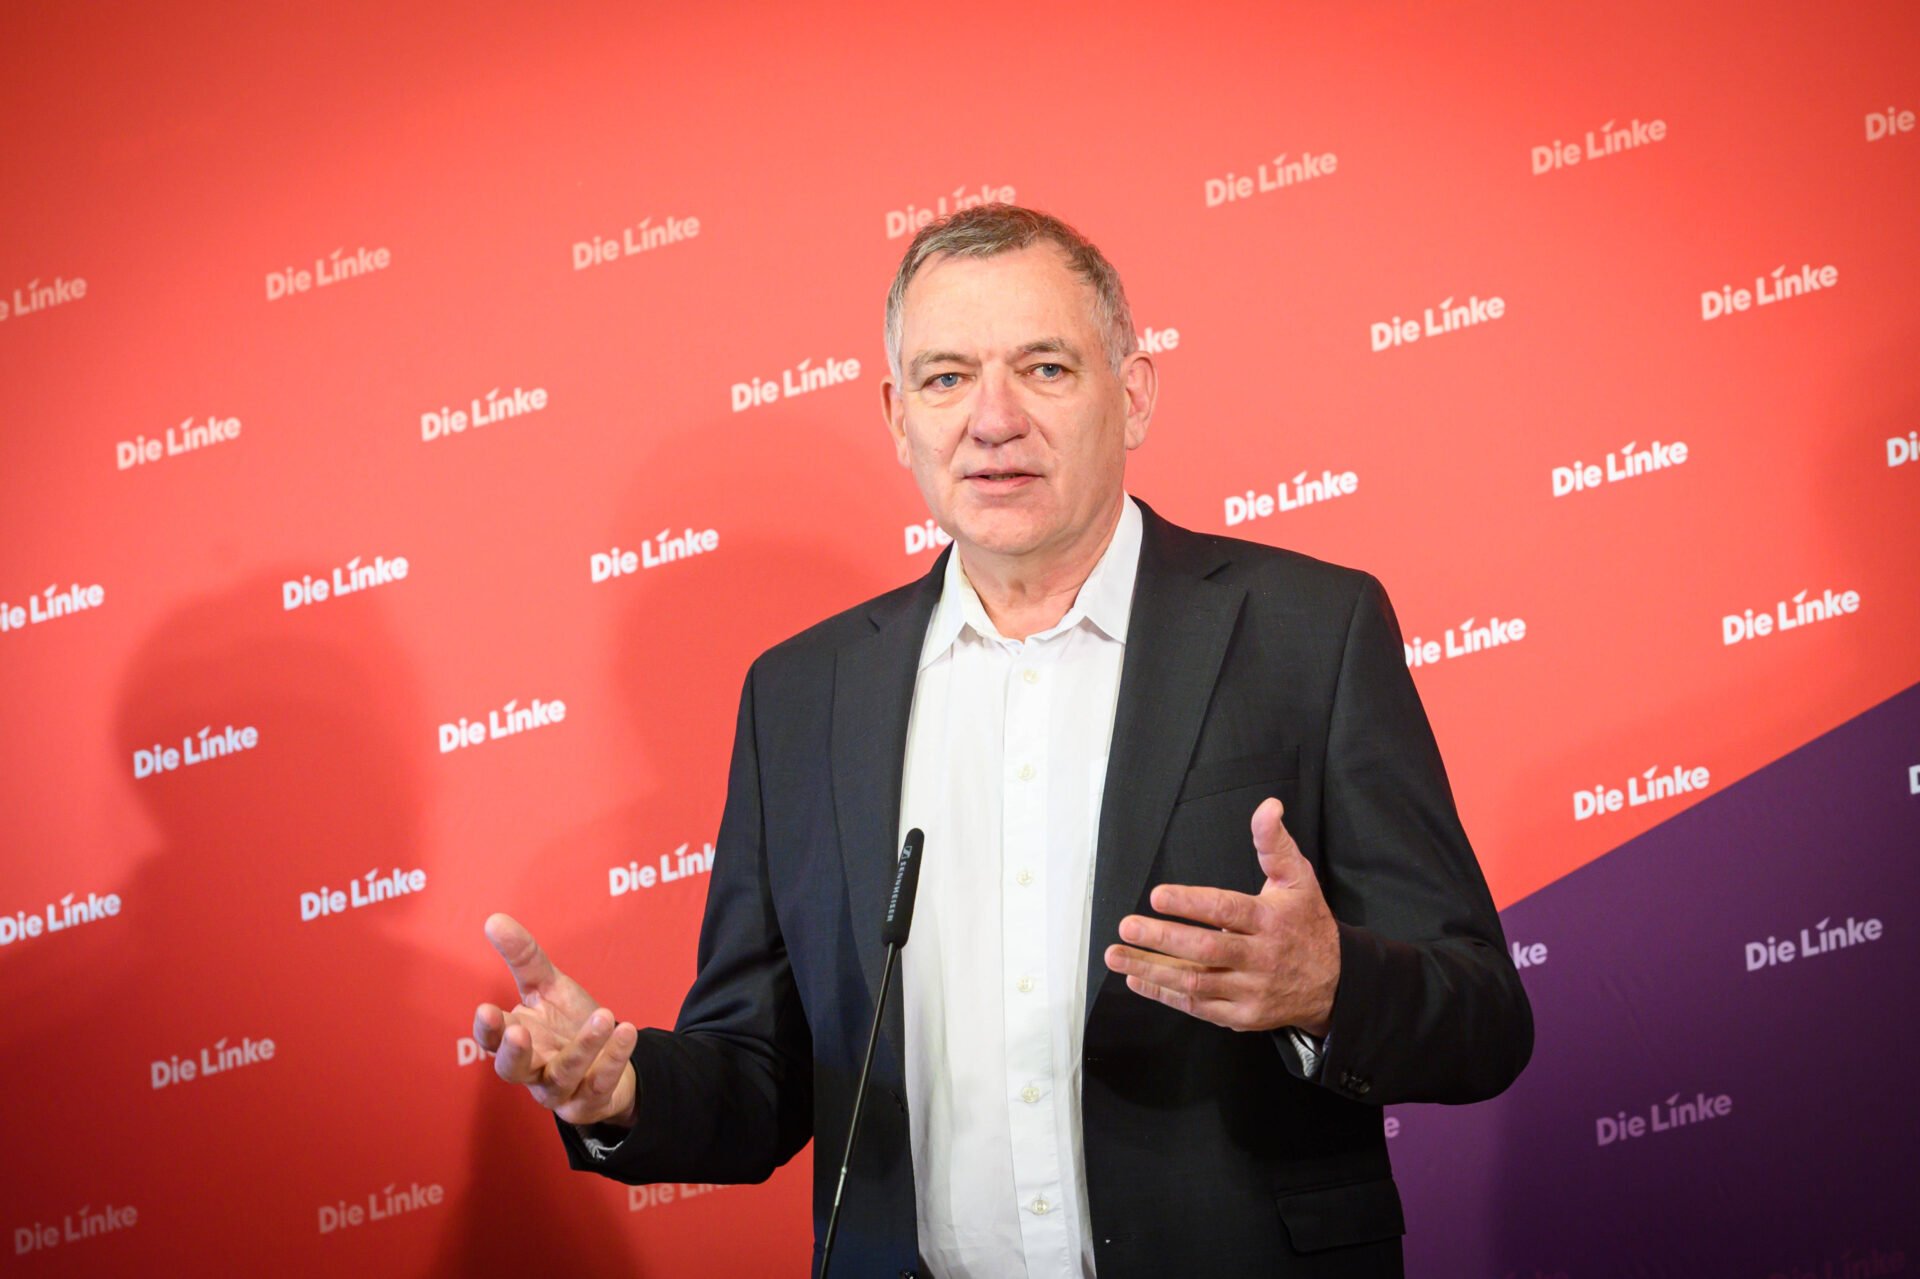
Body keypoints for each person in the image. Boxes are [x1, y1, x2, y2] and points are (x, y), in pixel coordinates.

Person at [472, 204, 1533, 1278]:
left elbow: (1486, 1015)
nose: (992, 420)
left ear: (1135, 393)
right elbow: (762, 1073)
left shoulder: (1309, 631)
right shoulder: (799, 695)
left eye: (1045, 368)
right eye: (945, 378)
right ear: (898, 417)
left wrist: (1331, 985)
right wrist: (622, 1091)